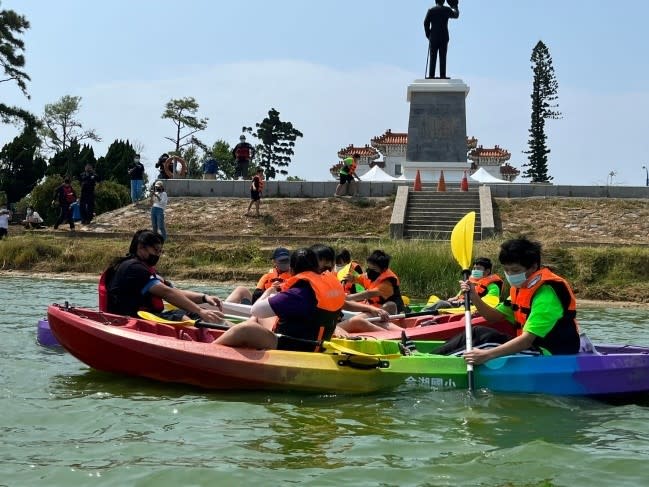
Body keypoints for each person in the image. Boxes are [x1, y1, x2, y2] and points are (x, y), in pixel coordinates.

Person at [436, 237, 581, 364]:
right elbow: (492, 317)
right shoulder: (521, 288)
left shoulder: (546, 294)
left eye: (516, 270)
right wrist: (473, 296)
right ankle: (431, 356)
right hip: (530, 347)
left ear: (534, 267)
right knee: (478, 332)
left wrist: (486, 355)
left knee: (486, 345)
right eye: (507, 270)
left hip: (550, 354)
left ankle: (433, 364)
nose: (510, 275)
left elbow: (526, 341)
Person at [213, 247, 346, 351]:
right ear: (317, 268)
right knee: (263, 318)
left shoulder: (297, 294)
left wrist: (269, 292)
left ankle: (209, 349)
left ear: (292, 270)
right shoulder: (332, 286)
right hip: (318, 344)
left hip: (292, 346)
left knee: (245, 329)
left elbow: (255, 310)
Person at [101, 229, 225, 323]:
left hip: (143, 316)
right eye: (155, 250)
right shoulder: (134, 268)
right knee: (180, 315)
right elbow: (167, 293)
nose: (158, 255)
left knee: (193, 313)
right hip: (131, 320)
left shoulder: (142, 268)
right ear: (141, 248)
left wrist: (204, 297)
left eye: (160, 251)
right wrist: (200, 311)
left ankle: (232, 332)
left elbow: (173, 292)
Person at [424, 257, 503, 312]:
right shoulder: (471, 281)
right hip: (461, 305)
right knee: (440, 302)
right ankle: (418, 314)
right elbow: (460, 295)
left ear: (487, 271)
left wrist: (468, 303)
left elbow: (489, 303)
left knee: (441, 304)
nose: (475, 270)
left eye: (478, 269)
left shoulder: (493, 286)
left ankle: (421, 314)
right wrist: (455, 298)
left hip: (471, 308)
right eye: (474, 268)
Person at [346, 249, 405, 315]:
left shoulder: (388, 282)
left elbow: (369, 294)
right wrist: (353, 279)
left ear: (384, 269)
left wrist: (348, 297)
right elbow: (361, 279)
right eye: (369, 268)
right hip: (374, 308)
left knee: (389, 305)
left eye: (373, 269)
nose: (369, 271)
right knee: (351, 303)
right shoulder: (370, 275)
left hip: (392, 312)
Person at [424, 0, 460, 80]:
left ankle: (431, 75)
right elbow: (456, 15)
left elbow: (426, 23)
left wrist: (428, 34)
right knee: (443, 56)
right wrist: (454, 5)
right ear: (444, 1)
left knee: (433, 56)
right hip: (444, 37)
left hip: (433, 37)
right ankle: (442, 75)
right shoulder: (446, 10)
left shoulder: (431, 10)